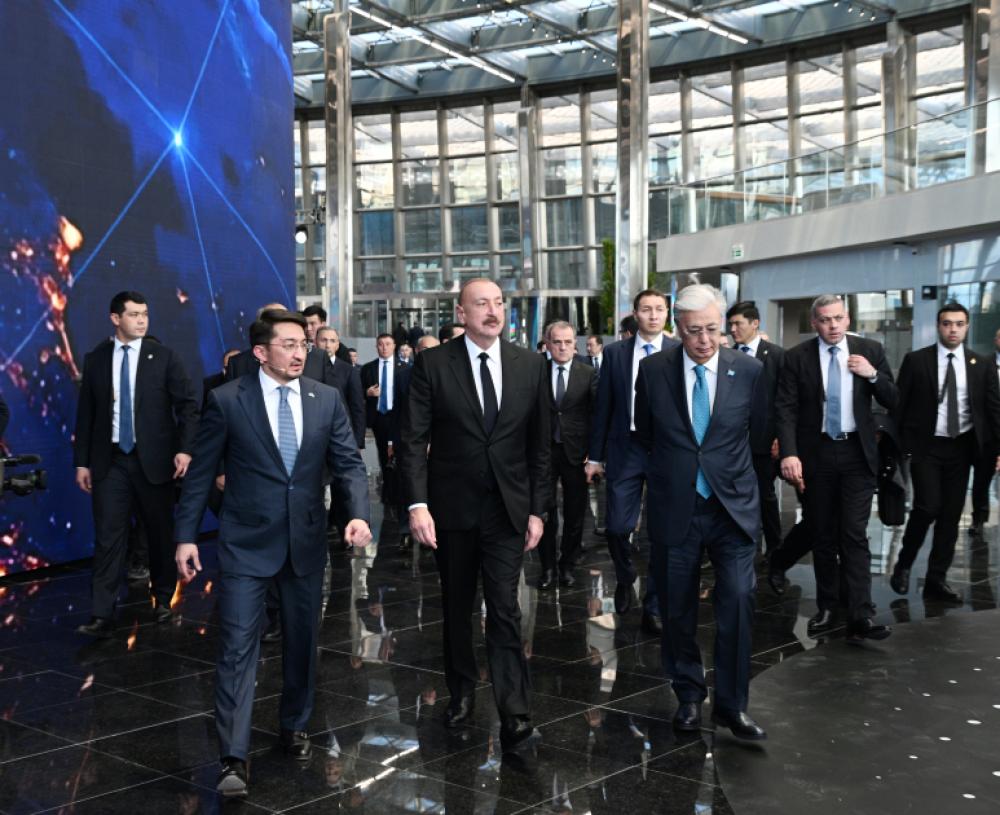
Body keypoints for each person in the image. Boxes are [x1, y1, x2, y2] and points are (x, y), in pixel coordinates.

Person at [174, 309, 371, 799]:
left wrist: (357, 513)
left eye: (303, 343)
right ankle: (232, 756)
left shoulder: (325, 399)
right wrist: (186, 535)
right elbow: (202, 472)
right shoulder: (228, 400)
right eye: (288, 344)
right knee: (237, 647)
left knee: (302, 642)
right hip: (245, 543)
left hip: (305, 542)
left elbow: (348, 463)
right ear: (260, 352)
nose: (300, 352)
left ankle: (295, 723)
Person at [399, 278, 551, 756]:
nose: (493, 310)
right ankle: (461, 690)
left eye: (499, 302)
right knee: (457, 605)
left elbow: (540, 446)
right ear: (462, 313)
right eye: (481, 303)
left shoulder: (531, 365)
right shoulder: (432, 364)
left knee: (505, 607)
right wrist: (418, 504)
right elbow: (412, 440)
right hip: (452, 509)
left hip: (508, 509)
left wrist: (537, 510)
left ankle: (515, 713)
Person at [635, 283, 768, 740]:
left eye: (713, 329)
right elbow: (646, 433)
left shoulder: (748, 371)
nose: (705, 340)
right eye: (694, 331)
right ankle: (689, 695)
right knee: (677, 609)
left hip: (732, 507)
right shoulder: (653, 371)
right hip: (676, 505)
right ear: (678, 328)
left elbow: (758, 435)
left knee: (738, 600)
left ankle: (732, 706)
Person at [73, 291, 198, 637]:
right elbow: (86, 414)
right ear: (115, 318)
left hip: (155, 461)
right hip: (110, 461)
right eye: (133, 314)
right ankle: (102, 613)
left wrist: (185, 449)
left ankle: (163, 600)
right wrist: (81, 462)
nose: (142, 320)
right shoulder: (97, 359)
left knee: (159, 534)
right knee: (108, 537)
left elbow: (188, 406)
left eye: (145, 314)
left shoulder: (164, 357)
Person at [775, 294, 897, 643]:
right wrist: (789, 453)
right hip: (817, 454)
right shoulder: (797, 357)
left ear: (847, 319)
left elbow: (893, 398)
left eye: (838, 318)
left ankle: (861, 613)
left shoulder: (870, 350)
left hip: (857, 453)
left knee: (854, 532)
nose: (832, 325)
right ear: (814, 323)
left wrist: (872, 375)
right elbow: (785, 408)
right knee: (823, 533)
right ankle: (828, 606)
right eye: (825, 319)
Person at [890, 303, 1000, 603]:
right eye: (947, 323)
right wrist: (895, 447)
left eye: (959, 324)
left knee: (951, 515)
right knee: (927, 507)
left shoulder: (981, 364)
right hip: (926, 446)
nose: (953, 329)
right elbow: (900, 405)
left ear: (967, 327)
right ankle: (903, 564)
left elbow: (993, 410)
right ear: (939, 326)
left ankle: (936, 579)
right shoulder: (917, 360)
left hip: (962, 448)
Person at [586, 290, 680, 635]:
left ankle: (653, 607)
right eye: (646, 309)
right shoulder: (615, 353)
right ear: (636, 314)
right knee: (616, 527)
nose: (653, 315)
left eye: (659, 309)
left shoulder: (678, 350)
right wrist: (595, 456)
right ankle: (625, 577)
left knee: (661, 534)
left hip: (665, 451)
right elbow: (604, 407)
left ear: (667, 313)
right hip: (625, 448)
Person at [538, 321, 597, 590]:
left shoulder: (588, 373)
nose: (562, 347)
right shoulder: (536, 371)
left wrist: (595, 455)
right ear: (548, 344)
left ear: (575, 345)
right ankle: (547, 567)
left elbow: (596, 414)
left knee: (575, 514)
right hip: (544, 451)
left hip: (576, 453)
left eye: (568, 342)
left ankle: (567, 566)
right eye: (557, 342)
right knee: (544, 511)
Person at [726, 301, 785, 557]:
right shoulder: (726, 356)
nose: (733, 329)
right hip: (732, 442)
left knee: (764, 495)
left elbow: (784, 400)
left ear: (755, 323)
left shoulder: (776, 356)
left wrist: (781, 437)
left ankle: (774, 551)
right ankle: (737, 547)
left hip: (764, 440)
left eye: (738, 323)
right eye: (730, 324)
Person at [969, 326, 1000, 535]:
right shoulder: (982, 363)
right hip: (988, 433)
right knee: (982, 479)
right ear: (995, 340)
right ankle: (979, 518)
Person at [315, 326, 365, 450]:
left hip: (340, 434)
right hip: (312, 434)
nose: (328, 345)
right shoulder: (304, 369)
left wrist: (358, 442)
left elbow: (357, 407)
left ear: (337, 345)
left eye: (332, 341)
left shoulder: (349, 371)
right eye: (323, 340)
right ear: (315, 342)